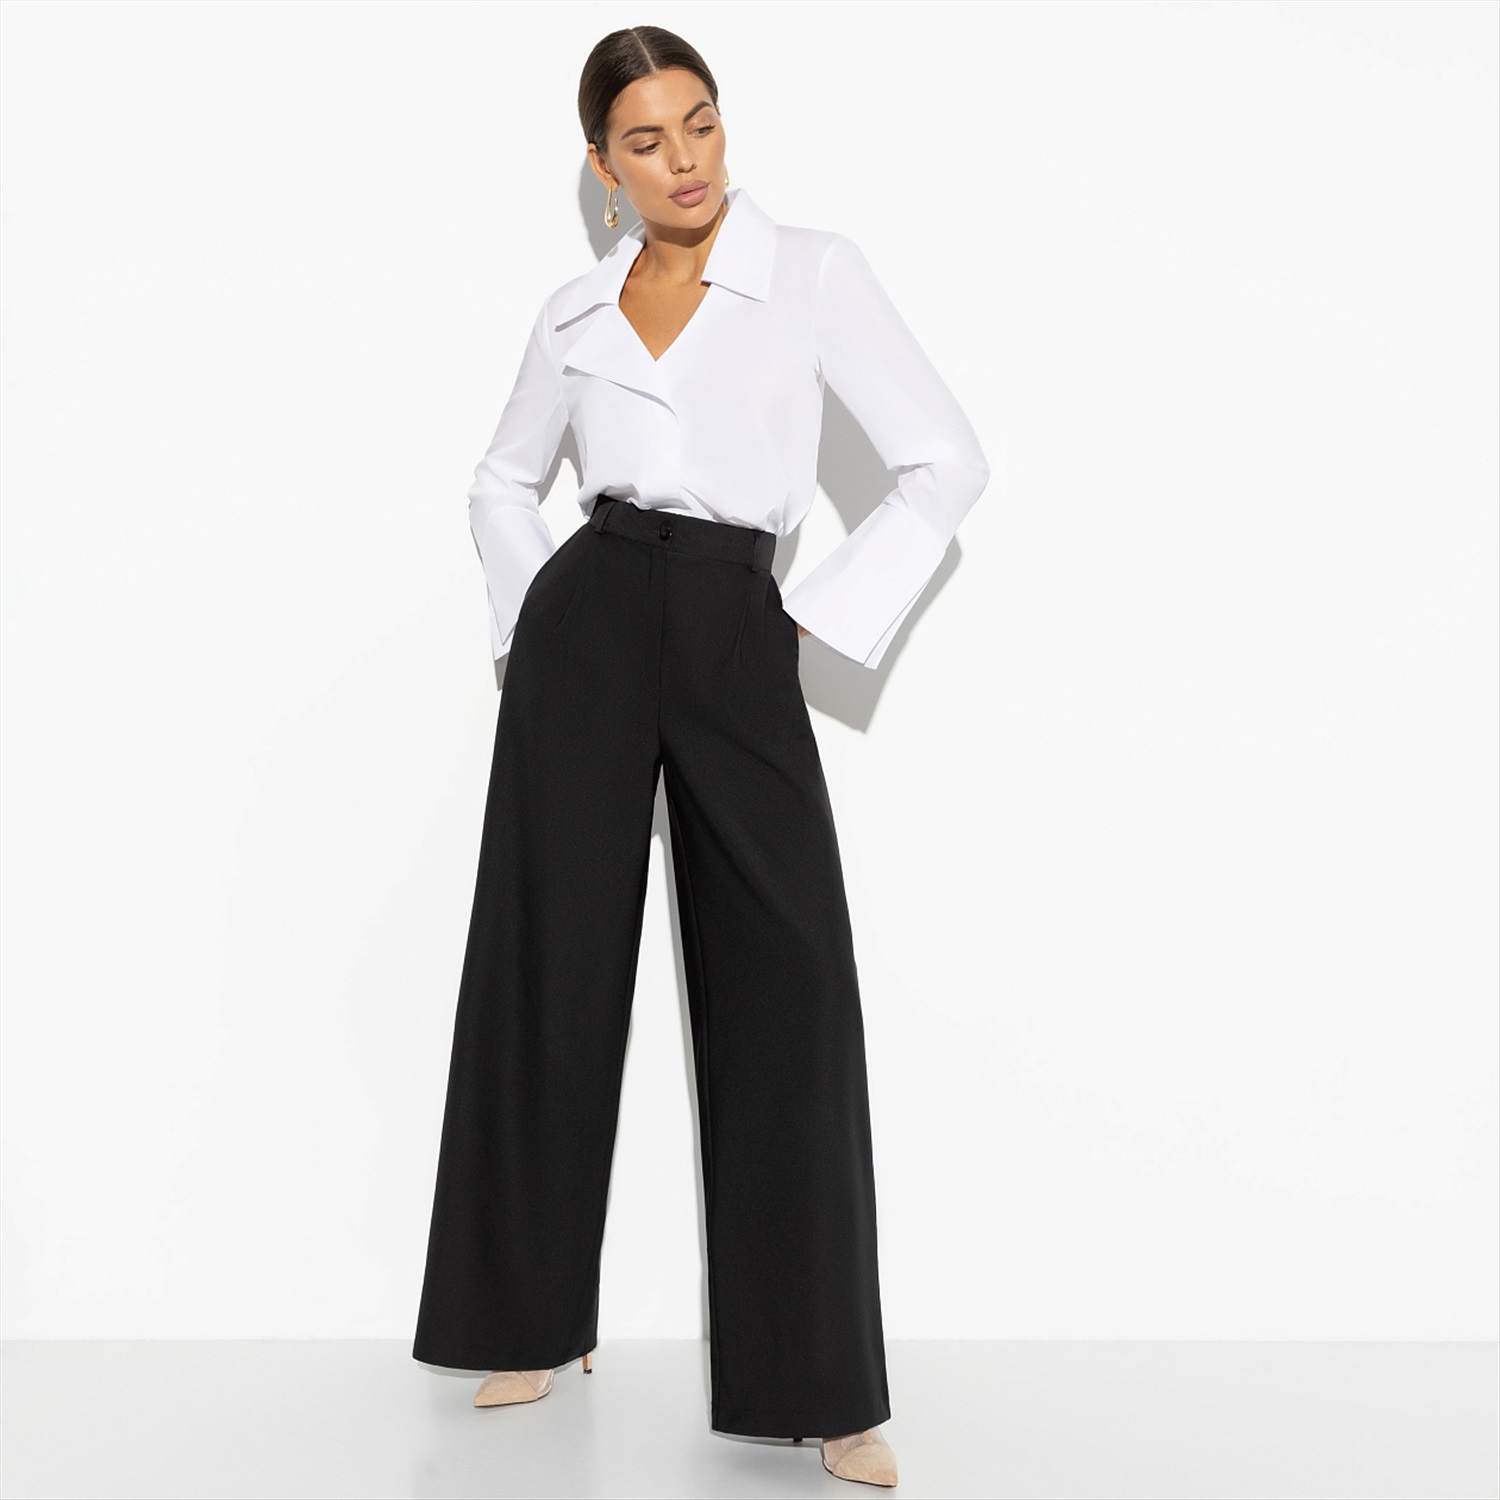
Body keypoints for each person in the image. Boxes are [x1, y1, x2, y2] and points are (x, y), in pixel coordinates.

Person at [412, 24, 989, 1491]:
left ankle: (824, 1388)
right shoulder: (572, 312)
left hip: (741, 623)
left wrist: (811, 619)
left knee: (788, 988)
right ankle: (524, 1320)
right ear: (600, 168)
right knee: (547, 966)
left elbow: (945, 460)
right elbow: (499, 479)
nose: (685, 161)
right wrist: (541, 614)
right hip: (590, 621)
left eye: (703, 124)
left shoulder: (812, 273)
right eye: (648, 142)